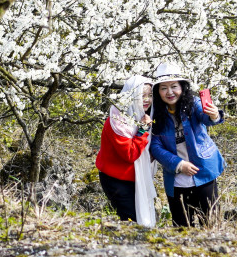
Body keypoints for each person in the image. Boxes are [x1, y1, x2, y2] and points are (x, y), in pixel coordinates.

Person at [149, 61, 226, 226]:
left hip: (203, 171)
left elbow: (206, 117)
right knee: (181, 225)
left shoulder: (193, 103)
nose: (169, 92)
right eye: (163, 88)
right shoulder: (155, 114)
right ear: (158, 91)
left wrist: (214, 115)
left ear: (182, 87)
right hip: (176, 177)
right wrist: (179, 164)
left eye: (174, 86)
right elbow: (155, 146)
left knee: (211, 221)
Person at [95, 75, 156, 224]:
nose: (147, 100)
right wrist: (142, 130)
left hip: (136, 179)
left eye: (150, 95)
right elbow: (130, 154)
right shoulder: (117, 121)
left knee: (138, 220)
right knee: (131, 221)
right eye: (142, 96)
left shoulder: (145, 116)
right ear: (132, 96)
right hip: (117, 180)